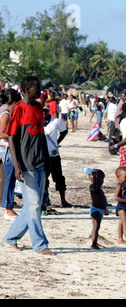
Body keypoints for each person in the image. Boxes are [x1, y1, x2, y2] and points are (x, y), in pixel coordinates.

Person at [2, 76, 54, 255]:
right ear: (25, 90)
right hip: (25, 165)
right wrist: (17, 166)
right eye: (36, 87)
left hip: (40, 162)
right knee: (33, 205)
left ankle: (11, 237)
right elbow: (11, 137)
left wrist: (47, 161)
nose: (39, 90)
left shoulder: (39, 107)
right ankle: (40, 244)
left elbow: (41, 136)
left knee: (33, 205)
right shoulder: (18, 109)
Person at [43, 106, 72, 208]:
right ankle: (46, 200)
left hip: (54, 154)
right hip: (42, 155)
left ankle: (63, 200)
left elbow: (64, 131)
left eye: (46, 110)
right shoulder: (36, 121)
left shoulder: (56, 121)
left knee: (59, 178)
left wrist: (57, 142)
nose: (44, 112)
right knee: (44, 178)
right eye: (42, 110)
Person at [0, 89, 21, 220]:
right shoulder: (6, 114)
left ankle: (8, 206)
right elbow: (1, 133)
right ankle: (7, 208)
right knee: (9, 179)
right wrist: (15, 134)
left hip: (9, 148)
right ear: (12, 102)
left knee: (9, 179)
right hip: (7, 149)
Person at [88, 169, 108, 250]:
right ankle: (93, 244)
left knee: (97, 228)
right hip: (95, 210)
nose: (102, 181)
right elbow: (94, 187)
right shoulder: (93, 187)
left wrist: (104, 209)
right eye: (101, 179)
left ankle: (95, 242)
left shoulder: (99, 188)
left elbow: (102, 200)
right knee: (95, 228)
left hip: (100, 210)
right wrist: (95, 179)